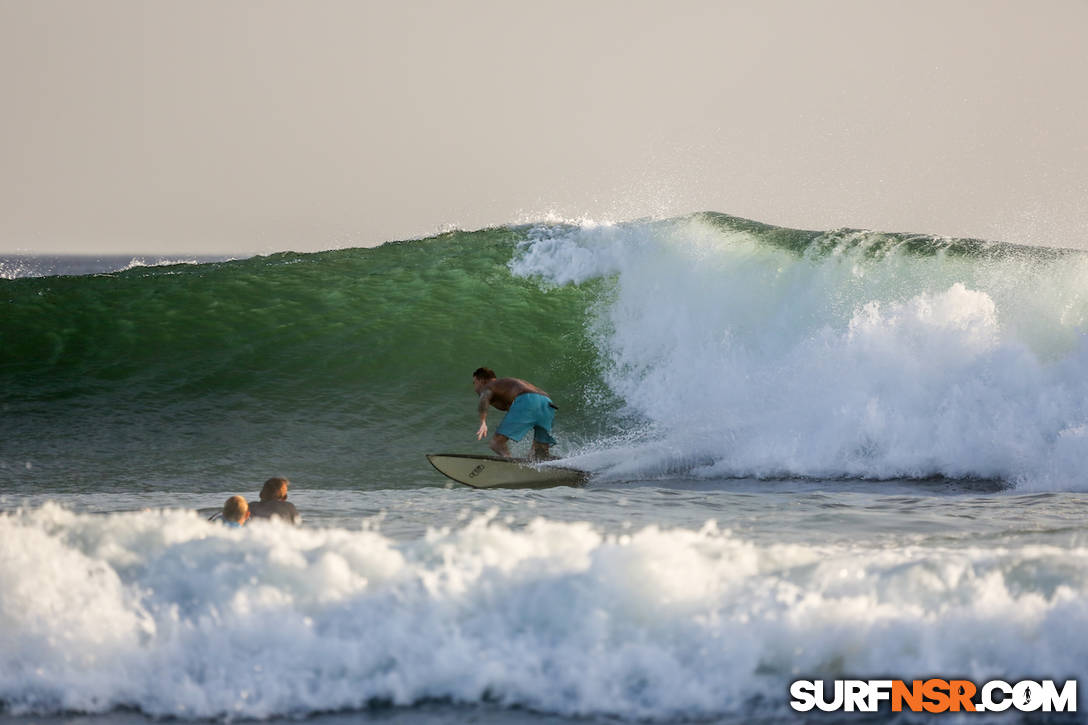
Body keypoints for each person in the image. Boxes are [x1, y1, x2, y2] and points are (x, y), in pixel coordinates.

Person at [472, 367, 558, 460]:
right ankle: (568, 463)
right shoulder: (504, 386)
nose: (475, 388)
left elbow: (484, 398)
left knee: (496, 443)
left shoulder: (489, 385)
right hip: (547, 403)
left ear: (481, 381)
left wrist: (483, 422)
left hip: (528, 400)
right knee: (540, 454)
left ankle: (510, 463)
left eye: (474, 383)